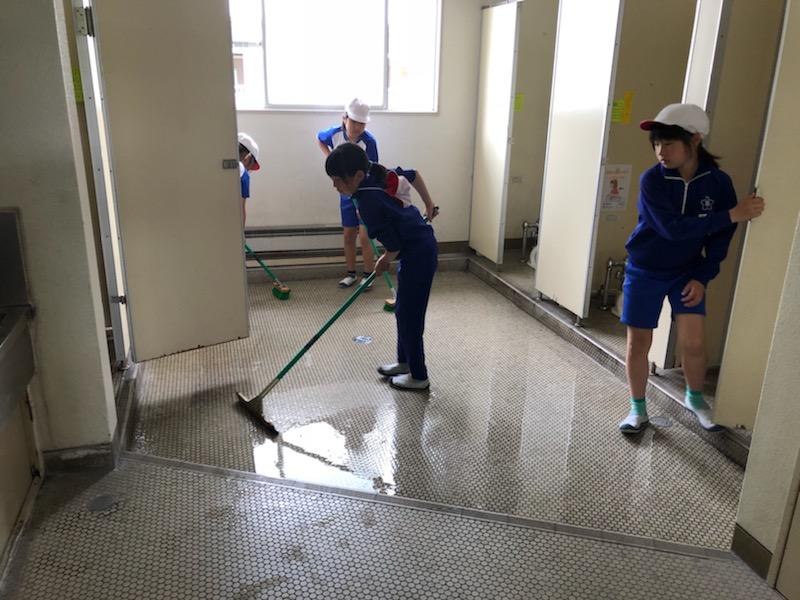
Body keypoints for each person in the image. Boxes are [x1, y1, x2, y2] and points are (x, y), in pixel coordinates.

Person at [618, 103, 765, 434]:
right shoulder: (652, 180)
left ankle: (695, 400)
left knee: (694, 342)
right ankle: (637, 410)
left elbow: (721, 236)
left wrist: (702, 276)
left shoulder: (718, 183)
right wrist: (732, 214)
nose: (661, 151)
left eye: (668, 143)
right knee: (638, 343)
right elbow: (671, 229)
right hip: (645, 269)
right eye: (657, 143)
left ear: (695, 140)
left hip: (687, 271)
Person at [325, 142, 437, 390]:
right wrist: (428, 204)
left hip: (419, 253)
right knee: (402, 311)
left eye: (337, 180)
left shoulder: (368, 201)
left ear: (357, 175)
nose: (335, 186)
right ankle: (404, 363)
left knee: (410, 317)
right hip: (415, 250)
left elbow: (394, 244)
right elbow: (414, 174)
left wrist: (383, 261)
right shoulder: (377, 174)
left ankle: (419, 377)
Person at [317, 98, 379, 288]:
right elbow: (320, 138)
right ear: (344, 118)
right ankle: (351, 274)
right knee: (348, 234)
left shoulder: (369, 141)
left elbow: (372, 170)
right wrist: (331, 158)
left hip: (364, 194)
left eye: (362, 123)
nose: (358, 127)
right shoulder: (334, 134)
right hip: (345, 193)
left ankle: (368, 275)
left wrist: (364, 199)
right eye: (354, 122)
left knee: (365, 236)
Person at [238, 132, 261, 226]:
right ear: (248, 158)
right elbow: (240, 210)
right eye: (250, 166)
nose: (249, 170)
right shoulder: (244, 174)